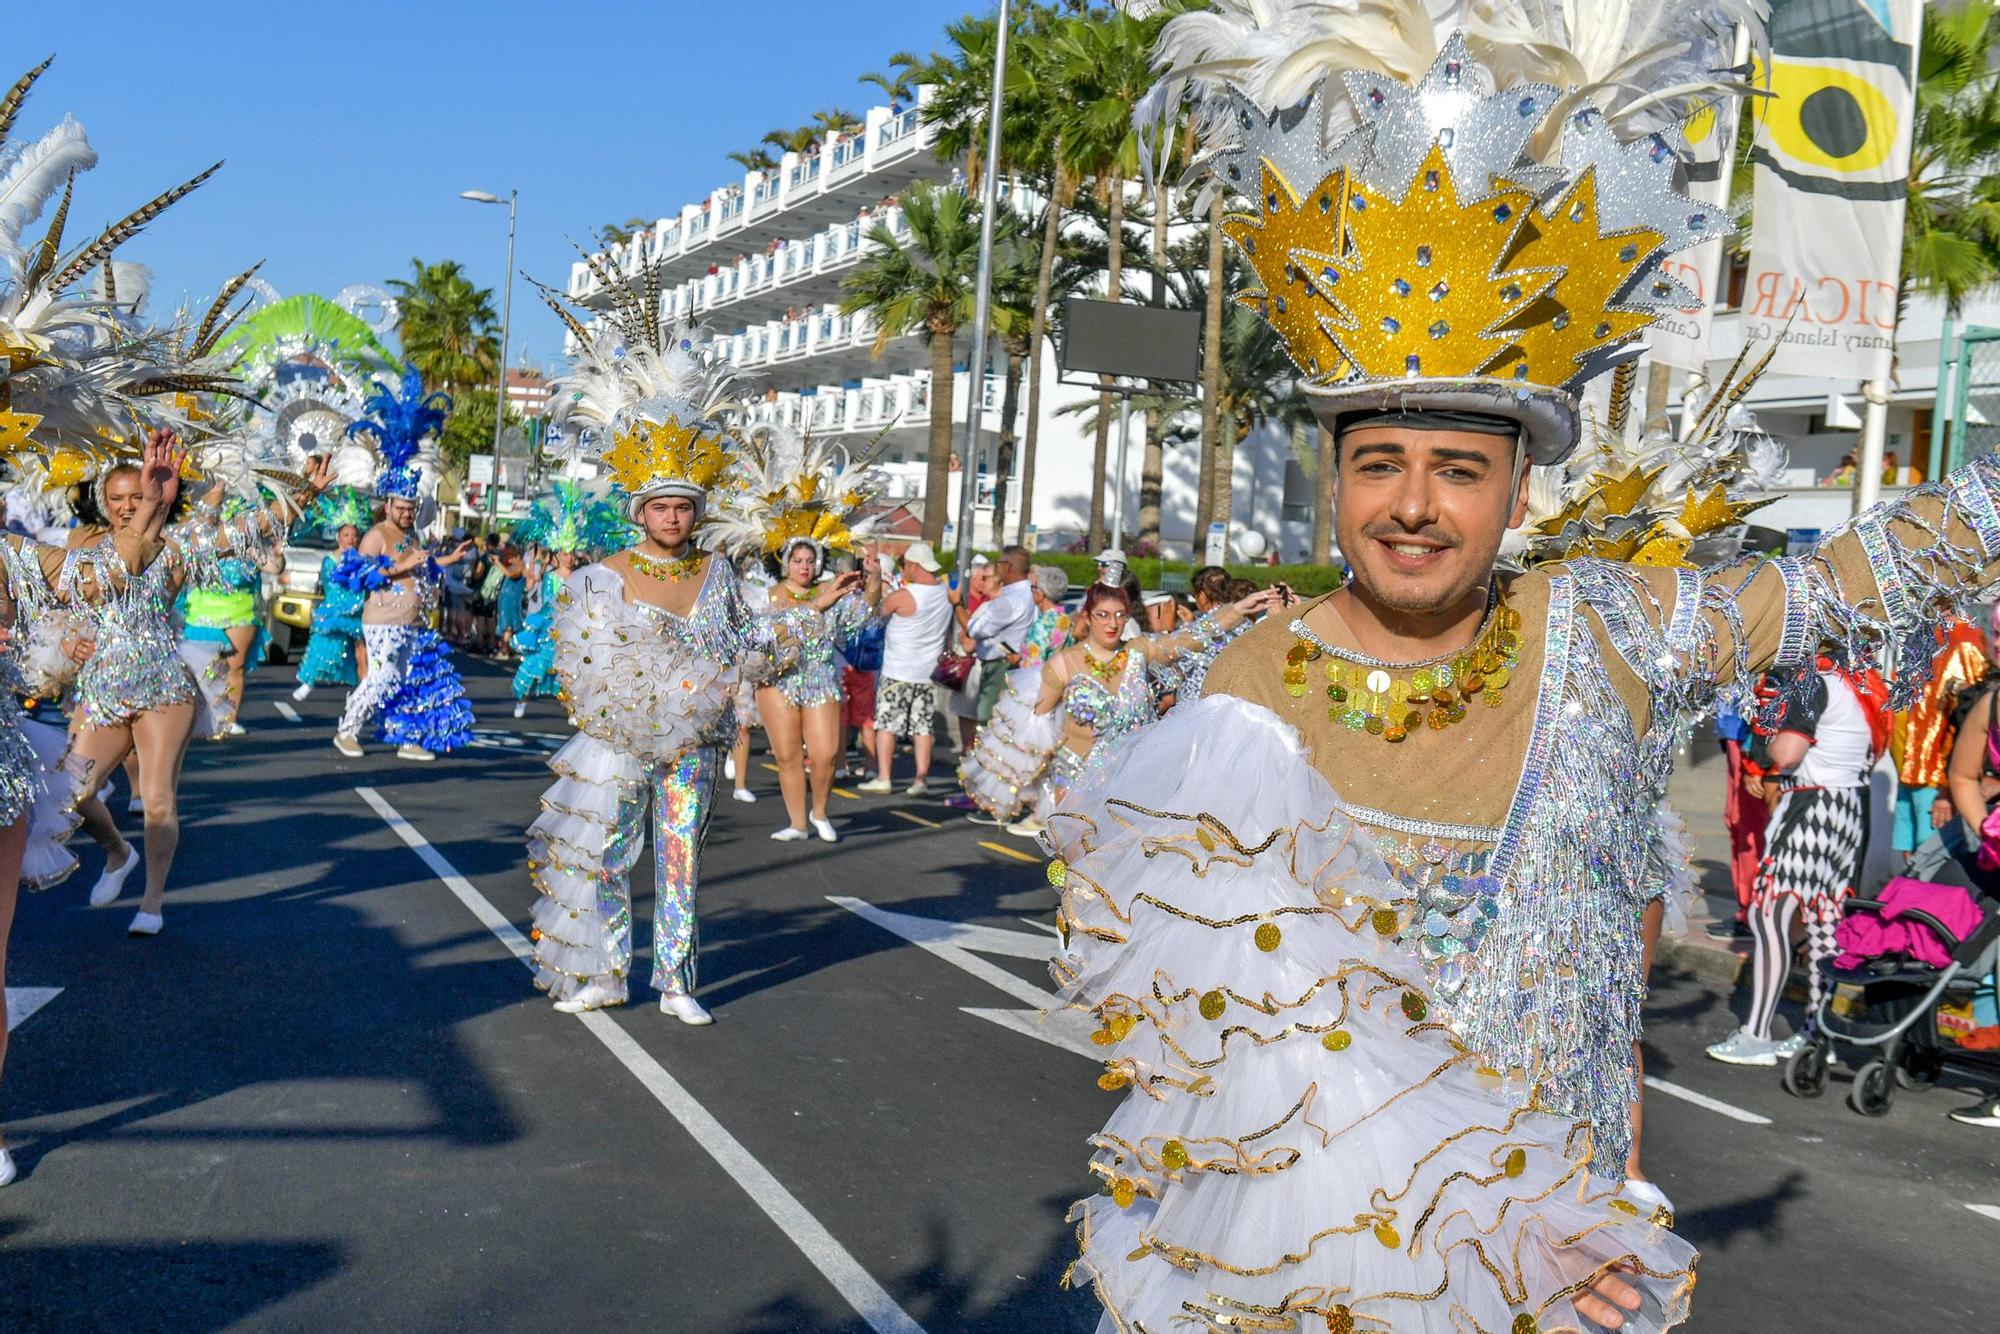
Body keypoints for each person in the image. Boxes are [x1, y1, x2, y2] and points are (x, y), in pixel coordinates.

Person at [1053, 9, 2000, 1329]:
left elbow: (1833, 583)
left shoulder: (1603, 629)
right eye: (1381, 462)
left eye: (1460, 468)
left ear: (1516, 491)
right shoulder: (1245, 688)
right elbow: (1212, 1061)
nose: (1415, 506)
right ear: (1336, 481)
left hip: (1557, 1269)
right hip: (1302, 1278)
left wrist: (1586, 1208)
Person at [526, 318, 793, 1022]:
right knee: (610, 857)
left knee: (681, 860)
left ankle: (674, 982)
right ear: (640, 510)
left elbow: (749, 642)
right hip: (620, 744)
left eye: (683, 506)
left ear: (696, 512)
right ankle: (607, 973)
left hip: (696, 747)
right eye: (661, 506)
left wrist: (760, 661)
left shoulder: (720, 574)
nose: (672, 516)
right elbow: (581, 667)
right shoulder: (604, 575)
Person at [64, 437, 327, 937]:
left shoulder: (180, 546)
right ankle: (119, 852)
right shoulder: (86, 547)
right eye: (116, 497)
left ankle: (153, 902)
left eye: (136, 496)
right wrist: (69, 641)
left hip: (164, 683)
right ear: (103, 501)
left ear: (154, 494)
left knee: (158, 798)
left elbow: (253, 528)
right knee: (73, 792)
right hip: (103, 685)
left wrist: (305, 493)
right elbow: (59, 605)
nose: (126, 506)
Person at [1709, 663, 1889, 1067]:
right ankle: (1816, 1031)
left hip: (1811, 805)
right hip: (1848, 809)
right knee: (1825, 921)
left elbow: (1787, 752)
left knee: (1769, 915)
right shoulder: (1863, 683)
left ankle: (1756, 1034)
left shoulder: (1815, 683)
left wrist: (1772, 741)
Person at [710, 428, 880, 843]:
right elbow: (751, 636)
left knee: (823, 755)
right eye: (797, 559)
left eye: (811, 559)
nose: (804, 566)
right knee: (788, 756)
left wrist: (873, 582)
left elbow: (865, 621)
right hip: (776, 680)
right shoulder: (763, 596)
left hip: (820, 678)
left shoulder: (832, 593)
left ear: (818, 562)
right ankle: (797, 822)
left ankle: (820, 810)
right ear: (785, 563)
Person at [331, 371, 477, 762]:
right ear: (388, 504)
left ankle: (408, 737)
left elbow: (421, 566)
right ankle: (347, 730)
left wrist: (447, 559)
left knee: (412, 679)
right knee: (383, 678)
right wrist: (399, 566)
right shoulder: (376, 535)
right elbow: (357, 576)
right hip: (381, 621)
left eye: (412, 509)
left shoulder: (412, 537)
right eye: (402, 507)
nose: (408, 513)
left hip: (411, 621)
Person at [1889, 619, 1988, 862]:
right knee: (1910, 859)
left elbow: (1969, 720)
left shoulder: (1966, 640)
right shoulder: (1922, 634)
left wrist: (1948, 790)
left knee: (1931, 862)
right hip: (1908, 771)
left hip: (1936, 780)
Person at [860, 540, 953, 796]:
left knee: (887, 725)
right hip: (927, 672)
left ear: (913, 565)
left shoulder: (905, 596)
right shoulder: (945, 593)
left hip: (898, 670)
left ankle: (884, 777)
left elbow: (874, 612)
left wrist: (875, 579)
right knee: (923, 728)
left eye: (906, 565)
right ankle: (920, 780)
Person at [293, 492, 373, 701]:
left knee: (362, 650)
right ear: (338, 537)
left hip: (357, 611)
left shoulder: (362, 559)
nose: (351, 540)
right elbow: (331, 585)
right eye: (346, 535)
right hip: (336, 610)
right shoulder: (330, 560)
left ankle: (364, 689)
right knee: (323, 645)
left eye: (354, 536)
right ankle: (308, 681)